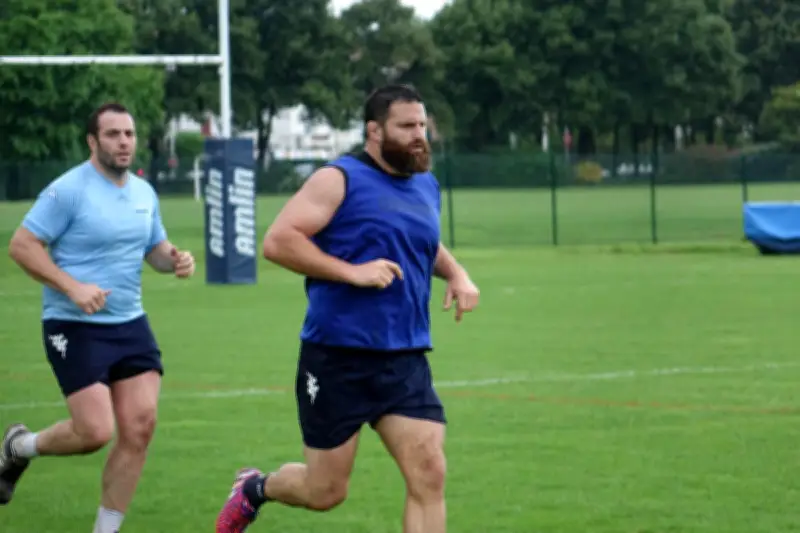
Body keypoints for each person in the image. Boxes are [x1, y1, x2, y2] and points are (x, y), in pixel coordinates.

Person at [215, 84, 480, 533]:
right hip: (337, 357)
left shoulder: (424, 185)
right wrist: (351, 272)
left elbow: (422, 239)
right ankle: (255, 488)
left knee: (429, 474)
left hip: (405, 356)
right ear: (374, 131)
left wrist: (456, 272)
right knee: (325, 492)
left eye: (422, 125)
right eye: (407, 126)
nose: (420, 135)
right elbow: (279, 242)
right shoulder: (337, 179)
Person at [0, 102, 195, 533]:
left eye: (129, 133)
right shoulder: (68, 190)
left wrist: (176, 260)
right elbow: (22, 245)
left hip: (129, 323)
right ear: (93, 141)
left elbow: (155, 251)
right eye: (113, 134)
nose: (124, 142)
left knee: (140, 428)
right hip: (73, 325)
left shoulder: (144, 192)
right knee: (94, 432)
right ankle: (19, 446)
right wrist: (72, 287)